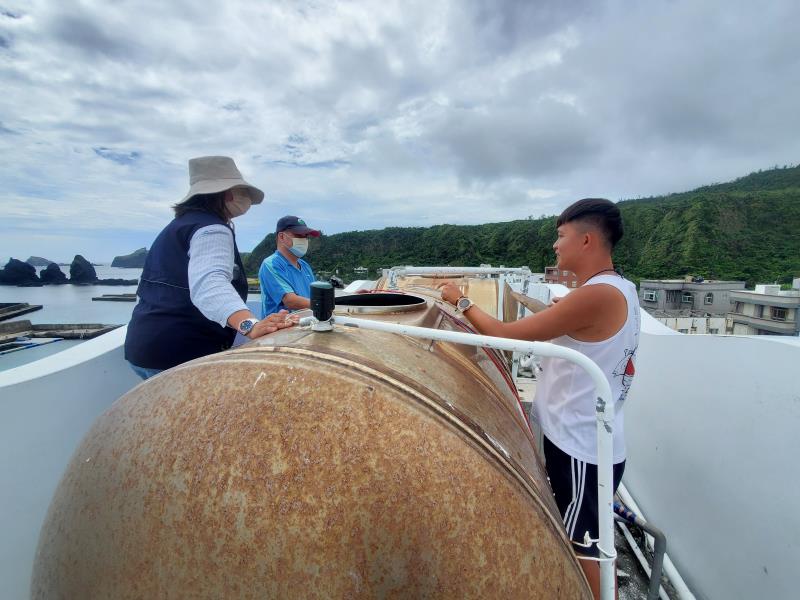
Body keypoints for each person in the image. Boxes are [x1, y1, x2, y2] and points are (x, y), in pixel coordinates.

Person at [439, 198, 640, 600]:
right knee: (587, 535)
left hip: (581, 447)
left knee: (586, 547)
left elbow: (503, 335)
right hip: (586, 439)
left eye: (561, 236)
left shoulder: (594, 296)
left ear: (586, 239)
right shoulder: (618, 288)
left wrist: (459, 300)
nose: (555, 245)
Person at [124, 156, 295, 380]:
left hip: (144, 345)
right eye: (240, 191)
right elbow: (209, 284)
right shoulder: (212, 229)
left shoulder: (179, 226)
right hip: (180, 354)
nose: (244, 199)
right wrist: (250, 325)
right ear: (227, 193)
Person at [258, 215, 320, 318]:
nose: (304, 240)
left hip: (305, 325)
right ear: (281, 237)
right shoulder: (271, 264)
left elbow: (313, 296)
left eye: (306, 236)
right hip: (277, 329)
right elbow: (290, 301)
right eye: (299, 235)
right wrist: (325, 304)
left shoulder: (305, 266)